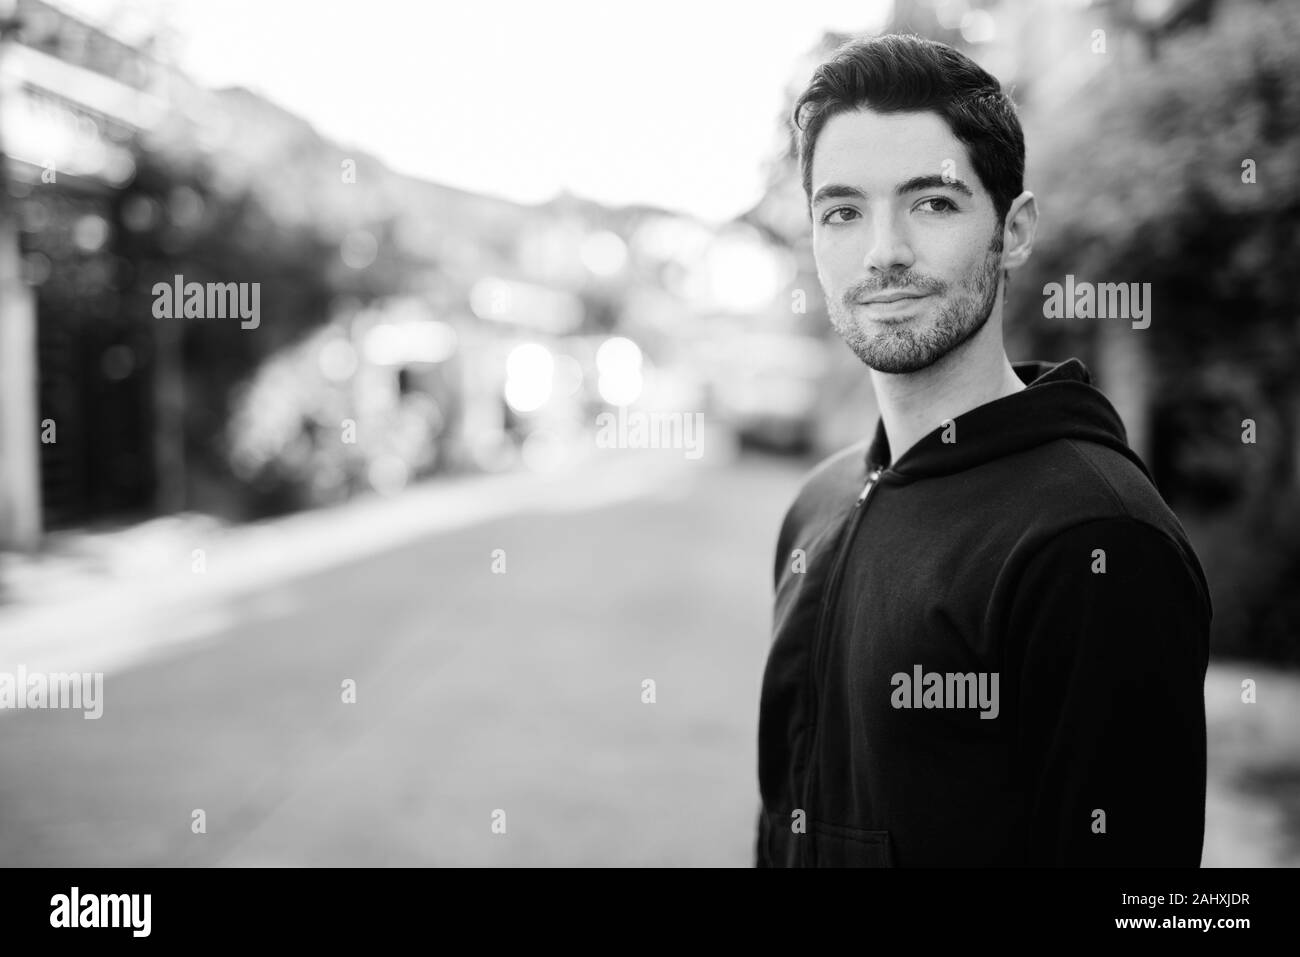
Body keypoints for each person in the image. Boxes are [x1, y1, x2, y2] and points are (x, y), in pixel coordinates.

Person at [754, 33, 1211, 867]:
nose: (883, 250)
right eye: (843, 210)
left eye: (933, 202)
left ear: (1016, 228)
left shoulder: (1095, 539)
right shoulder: (816, 507)